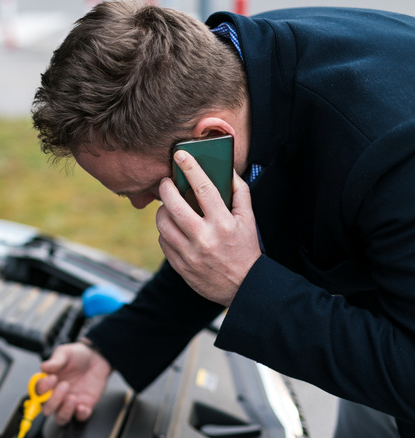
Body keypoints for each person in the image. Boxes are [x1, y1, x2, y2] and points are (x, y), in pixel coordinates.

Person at [30, 1, 415, 437]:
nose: (141, 205)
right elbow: (219, 240)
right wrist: (112, 348)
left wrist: (247, 286)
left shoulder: (391, 155)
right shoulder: (239, 71)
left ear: (213, 139)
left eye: (148, 188)